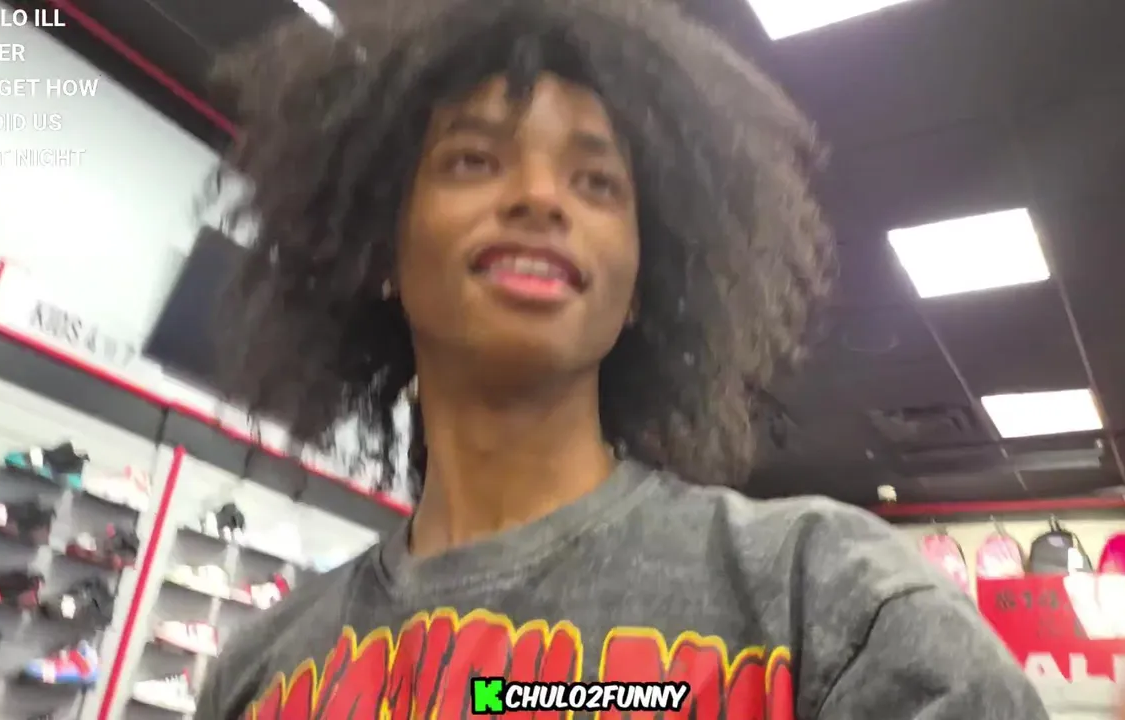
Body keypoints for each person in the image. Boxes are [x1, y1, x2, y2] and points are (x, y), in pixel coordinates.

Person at [195, 0, 1052, 718]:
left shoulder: (828, 605)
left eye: (597, 182)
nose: (539, 196)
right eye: (474, 159)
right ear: (381, 250)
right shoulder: (261, 673)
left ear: (642, 282)